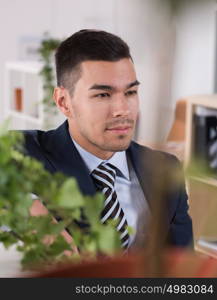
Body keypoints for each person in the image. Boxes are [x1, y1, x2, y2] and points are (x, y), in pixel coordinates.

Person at [22, 29, 193, 251]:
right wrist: (33, 210)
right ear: (64, 102)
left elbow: (185, 270)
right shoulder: (28, 151)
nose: (123, 110)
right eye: (103, 95)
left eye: (130, 93)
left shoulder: (166, 169)